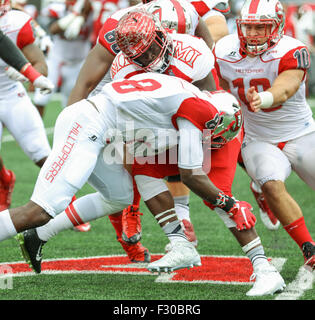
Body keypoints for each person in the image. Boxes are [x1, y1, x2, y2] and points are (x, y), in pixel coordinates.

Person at [16, 72, 285, 296]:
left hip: (184, 130)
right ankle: (180, 243)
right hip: (166, 126)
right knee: (143, 167)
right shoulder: (184, 98)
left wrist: (229, 202)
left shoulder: (214, 126)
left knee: (219, 199)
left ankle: (264, 268)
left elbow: (194, 174)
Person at [214, 0, 315, 271]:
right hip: (258, 137)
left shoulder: (292, 49)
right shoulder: (224, 50)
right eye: (248, 27)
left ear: (278, 26)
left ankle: (259, 190)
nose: (254, 33)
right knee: (271, 184)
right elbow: (217, 85)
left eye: (261, 27)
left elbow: (287, 86)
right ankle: (310, 250)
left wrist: (265, 98)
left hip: (301, 134)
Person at [0, 1, 54, 211]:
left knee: (40, 153)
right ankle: (4, 181)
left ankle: (69, 201)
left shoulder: (16, 22)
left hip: (12, 94)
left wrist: (27, 74)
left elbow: (41, 65)